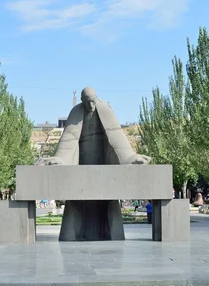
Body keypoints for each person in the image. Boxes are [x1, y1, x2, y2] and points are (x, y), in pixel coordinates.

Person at [38, 87, 151, 241]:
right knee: (77, 203)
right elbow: (69, 139)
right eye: (88, 102)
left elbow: (117, 136)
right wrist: (60, 159)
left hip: (103, 164)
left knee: (108, 202)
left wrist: (129, 157)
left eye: (93, 101)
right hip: (81, 166)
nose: (91, 105)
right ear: (82, 101)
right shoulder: (76, 112)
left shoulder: (105, 110)